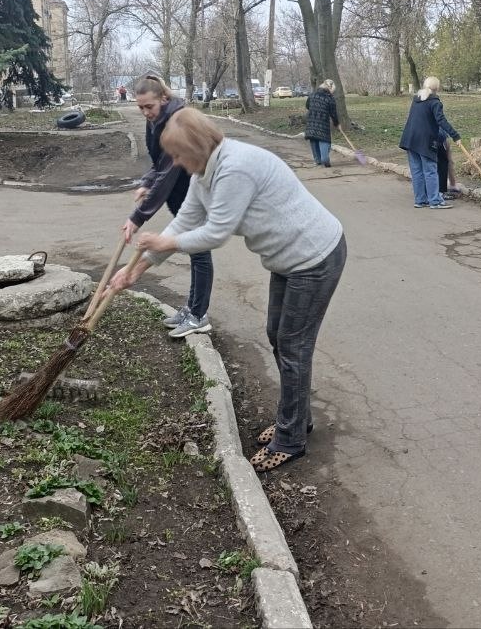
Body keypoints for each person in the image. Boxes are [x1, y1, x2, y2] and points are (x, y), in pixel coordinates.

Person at [109, 108, 346, 473]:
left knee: (293, 345)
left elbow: (215, 233)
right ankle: (296, 418)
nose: (175, 162)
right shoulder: (205, 172)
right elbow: (185, 222)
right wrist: (131, 272)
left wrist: (161, 245)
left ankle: (291, 438)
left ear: (197, 147)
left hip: (314, 257)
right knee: (279, 338)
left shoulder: (235, 168)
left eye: (177, 154)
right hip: (290, 260)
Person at [122, 75, 215, 338]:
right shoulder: (157, 120)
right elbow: (159, 164)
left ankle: (198, 315)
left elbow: (168, 173)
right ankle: (194, 309)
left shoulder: (177, 121)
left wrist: (138, 217)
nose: (144, 112)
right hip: (180, 195)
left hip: (193, 193)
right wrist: (146, 182)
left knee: (199, 252)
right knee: (194, 252)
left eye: (148, 106)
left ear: (163, 98)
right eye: (140, 107)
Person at [398, 76, 460, 209]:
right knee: (430, 171)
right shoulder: (435, 102)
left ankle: (420, 200)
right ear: (437, 88)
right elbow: (441, 121)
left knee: (417, 171)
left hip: (410, 139)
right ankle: (435, 201)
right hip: (424, 141)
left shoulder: (417, 99)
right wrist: (455, 135)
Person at [303, 79, 340, 167]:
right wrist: (337, 124)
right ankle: (324, 159)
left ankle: (318, 160)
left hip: (311, 123)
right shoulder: (330, 98)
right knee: (324, 140)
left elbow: (307, 106)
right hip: (323, 124)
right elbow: (333, 114)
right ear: (331, 88)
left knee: (314, 139)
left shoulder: (312, 95)